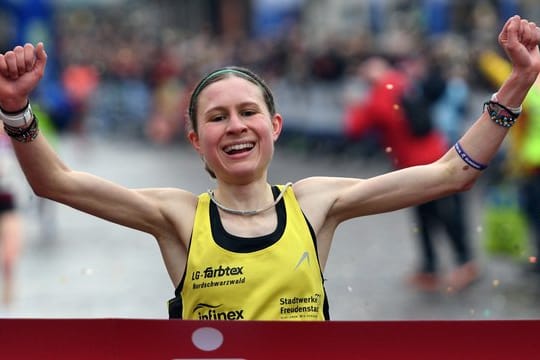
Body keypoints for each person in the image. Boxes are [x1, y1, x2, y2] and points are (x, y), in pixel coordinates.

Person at [0, 15, 538, 320]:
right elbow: (56, 182)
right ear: (195, 140)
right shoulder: (177, 215)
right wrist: (16, 110)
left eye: (247, 112)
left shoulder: (315, 203)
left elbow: (451, 173)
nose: (234, 126)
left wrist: (516, 82)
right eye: (217, 118)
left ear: (274, 126)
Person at [344, 53, 478, 293]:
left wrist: (354, 105)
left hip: (420, 164)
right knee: (434, 215)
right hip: (435, 156)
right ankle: (437, 267)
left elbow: (356, 128)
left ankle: (459, 264)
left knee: (437, 215)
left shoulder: (381, 92)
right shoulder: (399, 81)